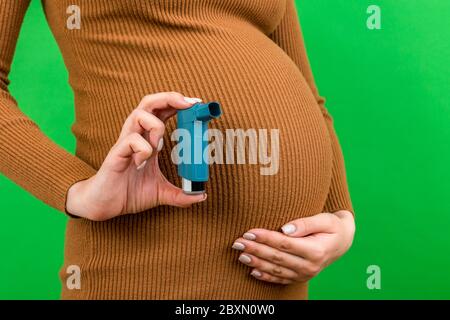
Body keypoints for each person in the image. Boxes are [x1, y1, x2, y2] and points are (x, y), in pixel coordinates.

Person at [0, 0, 355, 299]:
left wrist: (340, 220)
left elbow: (311, 97)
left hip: (278, 278)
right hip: (148, 267)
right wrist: (76, 190)